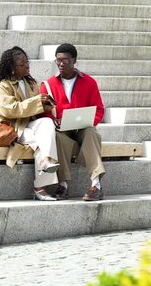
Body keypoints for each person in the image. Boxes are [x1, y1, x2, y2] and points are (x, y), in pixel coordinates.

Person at [0, 46, 61, 201]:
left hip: (28, 124)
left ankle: (46, 161)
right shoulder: (1, 86)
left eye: (27, 62)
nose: (27, 66)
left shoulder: (30, 83)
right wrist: (37, 102)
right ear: (12, 68)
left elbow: (34, 108)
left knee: (47, 123)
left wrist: (46, 105)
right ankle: (40, 188)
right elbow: (11, 109)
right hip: (11, 128)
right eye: (22, 64)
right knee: (40, 141)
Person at [40, 43, 106, 201]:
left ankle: (96, 185)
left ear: (74, 60)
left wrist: (89, 120)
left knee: (91, 132)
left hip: (84, 129)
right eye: (58, 60)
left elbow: (99, 109)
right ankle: (63, 185)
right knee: (58, 138)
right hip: (63, 130)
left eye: (65, 60)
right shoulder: (48, 85)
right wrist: (52, 120)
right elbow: (43, 110)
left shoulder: (89, 82)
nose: (61, 64)